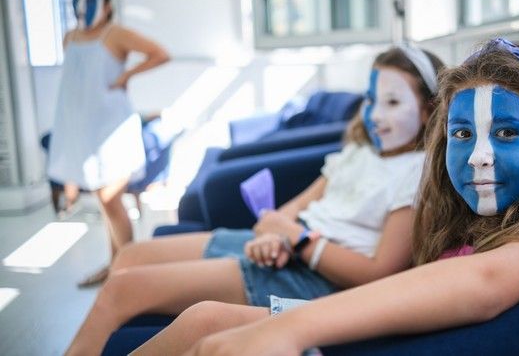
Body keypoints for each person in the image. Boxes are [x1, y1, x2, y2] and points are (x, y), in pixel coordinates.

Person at [132, 37, 519, 356]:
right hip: (383, 331)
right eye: (462, 134)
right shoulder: (463, 213)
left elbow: (483, 281)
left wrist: (291, 326)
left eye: (505, 132)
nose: (479, 156)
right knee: (204, 321)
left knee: (214, 330)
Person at [63, 44, 445, 356]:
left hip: (313, 277)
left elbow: (379, 274)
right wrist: (275, 233)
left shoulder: (415, 174)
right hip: (284, 248)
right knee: (130, 256)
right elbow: (298, 205)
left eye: (393, 103)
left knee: (121, 289)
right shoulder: (362, 150)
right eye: (371, 99)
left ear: (429, 110)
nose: (376, 114)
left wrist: (296, 239)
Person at [47, 0, 170, 287]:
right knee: (106, 204)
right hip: (85, 133)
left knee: (111, 199)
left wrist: (127, 74)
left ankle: (126, 272)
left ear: (107, 4)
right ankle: (117, 266)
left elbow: (161, 53)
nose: (82, 7)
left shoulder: (116, 35)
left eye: (90, 1)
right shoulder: (71, 37)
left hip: (112, 131)